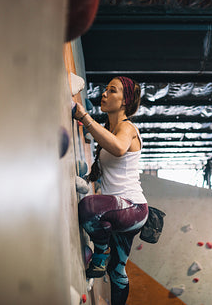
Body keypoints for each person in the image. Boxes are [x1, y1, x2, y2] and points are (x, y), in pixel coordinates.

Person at [73, 76, 148, 305]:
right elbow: (104, 166)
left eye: (111, 91)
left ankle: (101, 253)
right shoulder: (111, 129)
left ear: (125, 100)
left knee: (88, 207)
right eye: (105, 89)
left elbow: (117, 148)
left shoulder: (127, 128)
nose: (104, 94)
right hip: (120, 211)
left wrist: (84, 118)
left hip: (132, 208)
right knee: (117, 272)